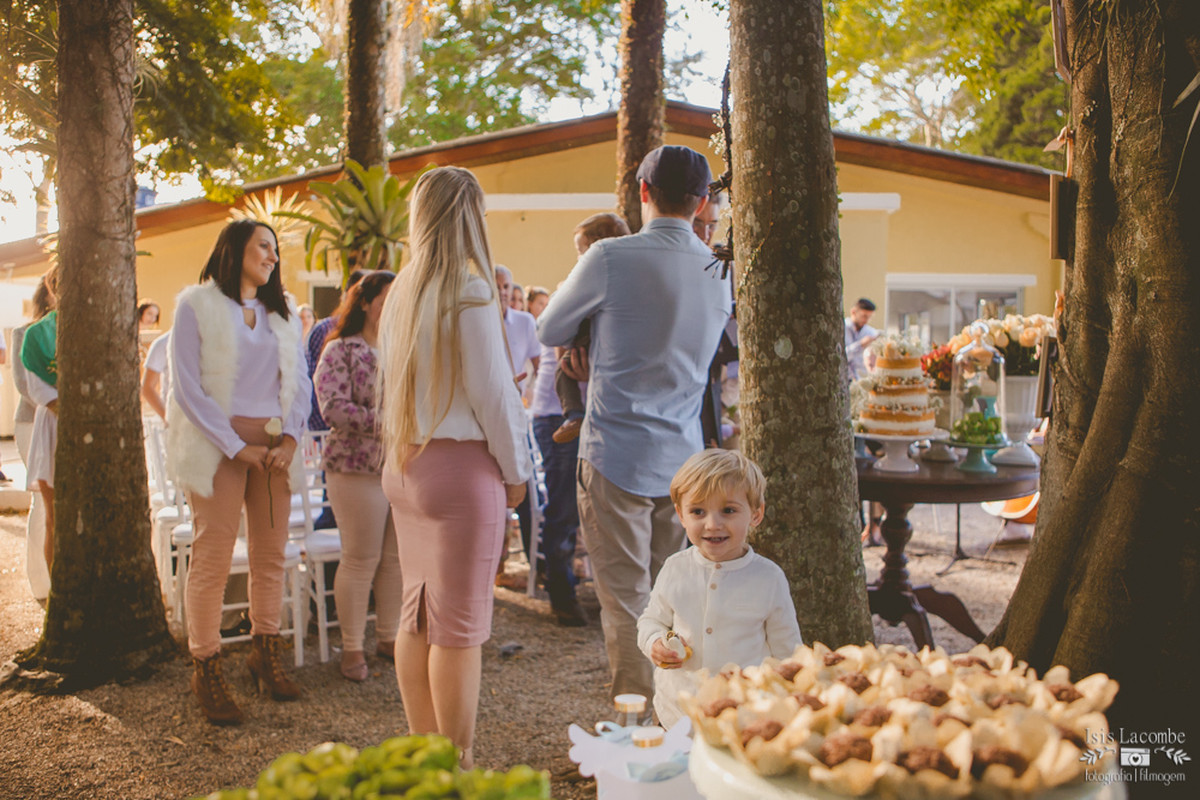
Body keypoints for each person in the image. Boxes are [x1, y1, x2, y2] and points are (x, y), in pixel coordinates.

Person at [538, 144, 732, 707]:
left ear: (642, 193)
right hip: (685, 462)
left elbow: (551, 330)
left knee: (627, 603)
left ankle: (636, 727)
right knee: (678, 602)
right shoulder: (717, 270)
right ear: (701, 203)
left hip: (614, 454)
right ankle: (677, 721)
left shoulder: (611, 257)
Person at [378, 166, 532, 768]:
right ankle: (458, 760)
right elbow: (495, 396)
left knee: (414, 615)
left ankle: (425, 753)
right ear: (471, 216)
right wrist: (516, 472)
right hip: (460, 473)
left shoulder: (403, 290)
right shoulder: (469, 288)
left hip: (407, 467)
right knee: (458, 628)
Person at [167, 219, 311, 725]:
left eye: (275, 250)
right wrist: (234, 446)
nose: (272, 256)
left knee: (272, 553)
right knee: (214, 553)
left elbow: (299, 379)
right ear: (235, 250)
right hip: (216, 444)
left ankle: (263, 650)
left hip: (274, 445)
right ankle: (206, 664)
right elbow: (186, 388)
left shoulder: (285, 311)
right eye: (263, 247)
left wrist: (292, 437)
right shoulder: (197, 305)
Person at [637, 449, 802, 728]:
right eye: (698, 511)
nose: (712, 524)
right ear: (681, 515)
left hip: (743, 714)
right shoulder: (675, 568)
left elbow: (787, 650)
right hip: (676, 711)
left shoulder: (768, 578)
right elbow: (651, 619)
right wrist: (654, 641)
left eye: (728, 510)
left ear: (755, 514)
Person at [313, 270, 403, 683]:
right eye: (386, 299)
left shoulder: (405, 349)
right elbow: (332, 407)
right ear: (365, 302)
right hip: (354, 466)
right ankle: (351, 646)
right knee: (360, 558)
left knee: (395, 560)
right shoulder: (340, 351)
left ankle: (389, 637)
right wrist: (390, 422)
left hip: (400, 466)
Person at [548, 212, 631, 445]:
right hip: (597, 349)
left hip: (593, 343)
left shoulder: (590, 280)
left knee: (563, 368)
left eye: (580, 251)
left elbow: (549, 331)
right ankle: (574, 416)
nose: (578, 258)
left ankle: (573, 414)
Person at [305, 269, 368, 530]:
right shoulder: (328, 331)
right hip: (336, 437)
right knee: (332, 514)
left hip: (372, 447)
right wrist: (324, 431)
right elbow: (317, 384)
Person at [13, 273, 55, 600]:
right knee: (41, 503)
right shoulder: (27, 334)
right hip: (35, 422)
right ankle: (41, 582)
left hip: (59, 419)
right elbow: (24, 386)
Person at [21, 270, 60, 578]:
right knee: (55, 517)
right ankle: (57, 590)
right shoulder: (38, 335)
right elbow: (39, 391)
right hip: (54, 425)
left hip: (95, 427)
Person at [844, 297, 878, 382]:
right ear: (853, 312)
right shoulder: (841, 329)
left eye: (869, 317)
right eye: (864, 316)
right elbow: (842, 356)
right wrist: (860, 345)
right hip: (844, 380)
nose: (866, 320)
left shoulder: (870, 332)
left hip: (863, 380)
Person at [141, 330, 171, 422]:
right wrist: (168, 418)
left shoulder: (208, 342)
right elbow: (147, 387)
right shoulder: (163, 343)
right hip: (174, 421)